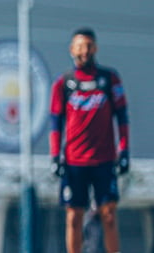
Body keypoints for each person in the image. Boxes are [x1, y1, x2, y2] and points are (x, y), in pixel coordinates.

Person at [49, 28, 130, 253]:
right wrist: (55, 155)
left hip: (103, 160)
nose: (84, 52)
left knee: (109, 214)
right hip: (75, 162)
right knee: (74, 216)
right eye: (79, 47)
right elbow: (55, 123)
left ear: (95, 48)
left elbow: (122, 116)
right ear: (71, 50)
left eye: (88, 46)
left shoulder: (108, 79)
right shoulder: (64, 83)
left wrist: (123, 150)